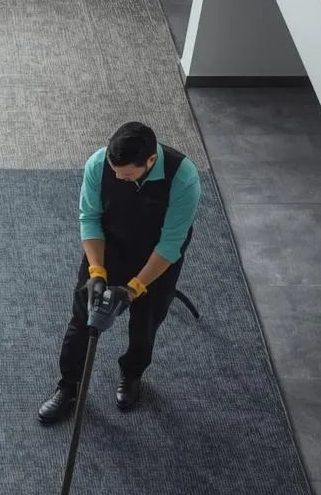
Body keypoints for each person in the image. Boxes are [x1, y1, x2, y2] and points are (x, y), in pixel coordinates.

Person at [38, 122, 201, 422]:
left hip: (157, 259)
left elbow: (170, 243)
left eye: (125, 175)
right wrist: (97, 272)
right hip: (109, 248)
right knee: (82, 317)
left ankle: (132, 373)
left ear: (150, 161)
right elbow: (90, 218)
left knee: (145, 322)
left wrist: (134, 288)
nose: (117, 178)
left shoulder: (183, 178)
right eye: (114, 171)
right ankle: (69, 385)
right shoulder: (99, 164)